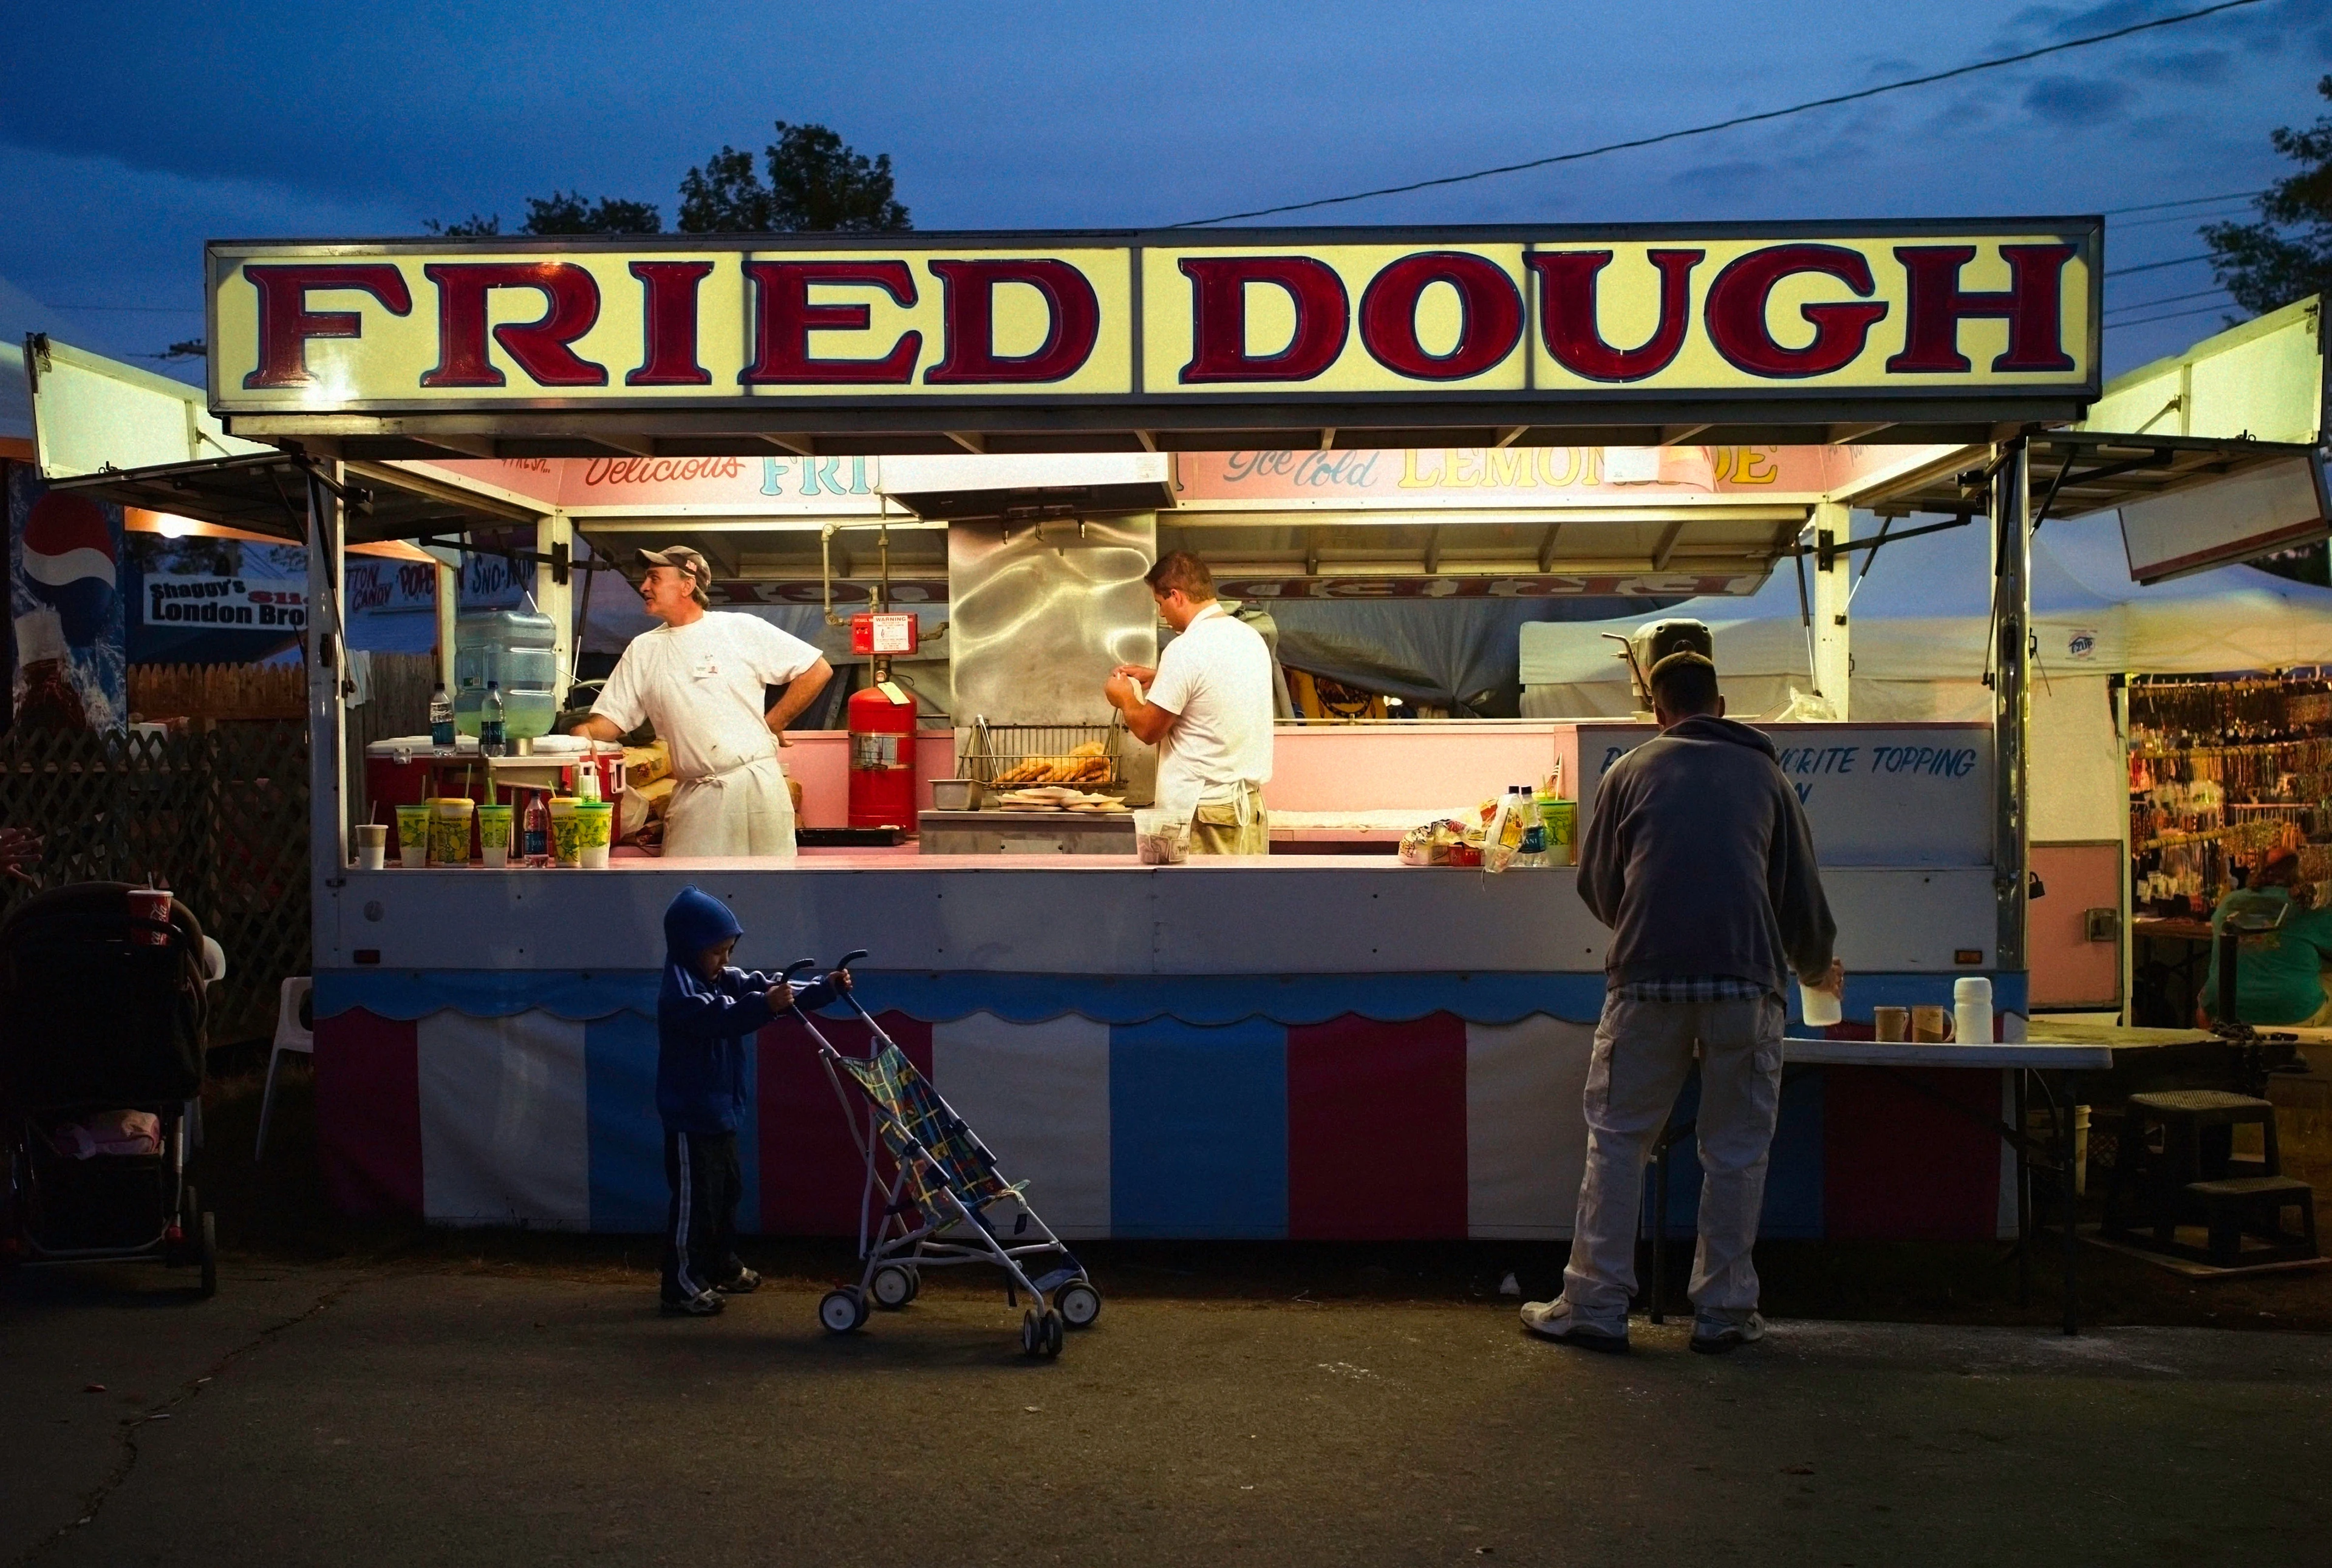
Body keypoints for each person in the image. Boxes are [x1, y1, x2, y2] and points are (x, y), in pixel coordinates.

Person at [1521, 651, 1839, 1356]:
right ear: (1720, 705)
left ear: (1658, 711)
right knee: (1734, 1150)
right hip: (1745, 985)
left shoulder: (1628, 773)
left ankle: (1595, 1304)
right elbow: (1799, 896)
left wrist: (1648, 927)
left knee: (1618, 1141)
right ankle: (1724, 1311)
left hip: (1646, 983)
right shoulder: (1769, 777)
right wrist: (1816, 963)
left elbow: (1597, 884)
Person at [656, 885, 850, 1317]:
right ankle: (682, 1283)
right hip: (691, 1116)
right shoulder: (681, 993)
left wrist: (823, 988)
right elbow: (722, 1018)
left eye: (729, 951)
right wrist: (765, 1006)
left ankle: (721, 1264)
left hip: (721, 1110)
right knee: (696, 1203)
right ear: (690, 949)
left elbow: (765, 987)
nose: (725, 961)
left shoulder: (715, 976)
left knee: (727, 1194)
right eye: (717, 952)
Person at [571, 547, 832, 859]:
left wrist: (775, 722)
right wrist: (583, 732)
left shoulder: (739, 629)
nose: (644, 587)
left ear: (687, 585)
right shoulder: (643, 649)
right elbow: (611, 721)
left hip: (757, 790)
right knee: (691, 895)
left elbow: (816, 670)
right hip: (696, 797)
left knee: (768, 893)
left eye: (654, 578)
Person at [1103, 551, 1275, 854]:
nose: (1163, 616)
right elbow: (1216, 689)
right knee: (1245, 900)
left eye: (1160, 605)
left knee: (1198, 902)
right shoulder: (1250, 639)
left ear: (1176, 596)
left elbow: (1148, 730)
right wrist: (1163, 678)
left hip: (1205, 814)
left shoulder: (1185, 649)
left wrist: (1125, 699)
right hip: (1248, 809)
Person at [2198, 848, 2332, 1025]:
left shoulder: (2230, 901)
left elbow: (2219, 929)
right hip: (2293, 1011)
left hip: (2226, 1010)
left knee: (2204, 1001)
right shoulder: (2307, 908)